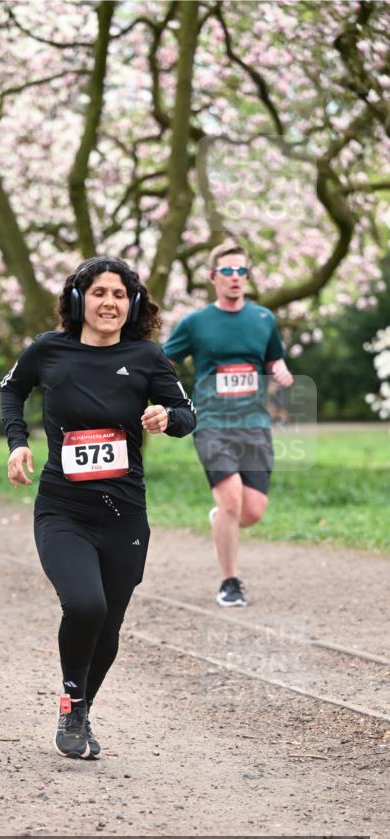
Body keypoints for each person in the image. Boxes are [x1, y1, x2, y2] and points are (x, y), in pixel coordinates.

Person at [0, 256, 196, 760]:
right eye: (98, 293)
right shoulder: (49, 350)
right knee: (86, 605)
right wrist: (17, 442)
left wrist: (164, 417)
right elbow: (11, 390)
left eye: (117, 294)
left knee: (109, 624)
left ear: (130, 304)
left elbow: (187, 415)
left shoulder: (147, 357)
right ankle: (72, 703)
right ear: (77, 300)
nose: (108, 303)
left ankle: (81, 709)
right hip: (62, 508)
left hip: (125, 514)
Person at [164, 238, 293, 608]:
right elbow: (163, 361)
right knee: (233, 499)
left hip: (254, 424)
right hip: (213, 423)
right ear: (213, 277)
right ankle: (230, 582)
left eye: (241, 271)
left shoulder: (264, 319)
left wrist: (279, 369)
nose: (236, 277)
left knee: (250, 511)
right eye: (228, 271)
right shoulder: (195, 323)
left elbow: (272, 359)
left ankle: (222, 517)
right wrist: (168, 396)